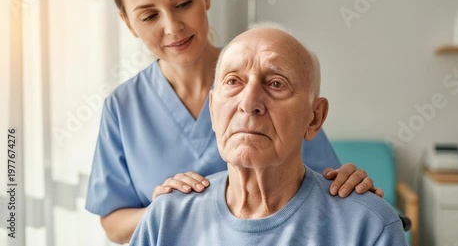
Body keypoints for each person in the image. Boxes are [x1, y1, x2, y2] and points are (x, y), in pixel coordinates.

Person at [85, 0, 382, 243]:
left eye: (183, 3)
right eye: (150, 16)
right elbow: (112, 219)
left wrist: (351, 190)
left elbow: (326, 188)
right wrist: (168, 213)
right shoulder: (122, 107)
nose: (173, 27)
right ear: (128, 23)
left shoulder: (273, 91)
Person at [129, 25, 408, 246]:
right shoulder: (166, 219)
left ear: (314, 117)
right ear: (213, 111)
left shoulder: (367, 226)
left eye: (276, 83)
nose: (249, 103)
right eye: (233, 82)